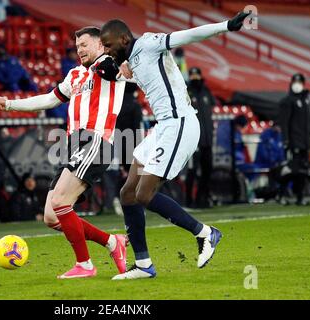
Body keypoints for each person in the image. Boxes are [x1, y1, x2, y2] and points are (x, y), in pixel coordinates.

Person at [100, 10, 250, 279]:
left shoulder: (147, 43)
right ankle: (144, 265)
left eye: (109, 45)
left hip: (180, 123)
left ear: (124, 39)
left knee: (144, 195)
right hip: (163, 127)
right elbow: (143, 77)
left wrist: (227, 25)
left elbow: (188, 35)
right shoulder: (132, 59)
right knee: (127, 193)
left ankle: (204, 233)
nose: (108, 51)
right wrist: (115, 72)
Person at [0, 27, 129, 279]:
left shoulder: (108, 64)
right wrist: (9, 103)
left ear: (100, 44)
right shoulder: (75, 75)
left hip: (95, 140)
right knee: (52, 217)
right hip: (73, 144)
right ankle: (111, 242)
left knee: (61, 202)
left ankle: (84, 265)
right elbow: (49, 100)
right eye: (77, 46)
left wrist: (123, 62)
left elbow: (123, 72)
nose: (80, 50)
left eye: (84, 44)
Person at [278, 73, 310, 206]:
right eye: (295, 81)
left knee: (302, 171)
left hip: (304, 142)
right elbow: (284, 122)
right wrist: (285, 140)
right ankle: (281, 193)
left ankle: (299, 196)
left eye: (299, 81)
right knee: (292, 170)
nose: (297, 84)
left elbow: (308, 122)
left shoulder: (305, 100)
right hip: (294, 141)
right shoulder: (287, 101)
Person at [185, 67, 216, 208]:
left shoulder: (206, 91)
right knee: (192, 171)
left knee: (207, 169)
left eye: (197, 74)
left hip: (207, 139)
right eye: (193, 75)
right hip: (193, 139)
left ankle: (201, 199)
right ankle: (188, 200)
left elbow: (211, 109)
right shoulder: (186, 91)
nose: (195, 77)